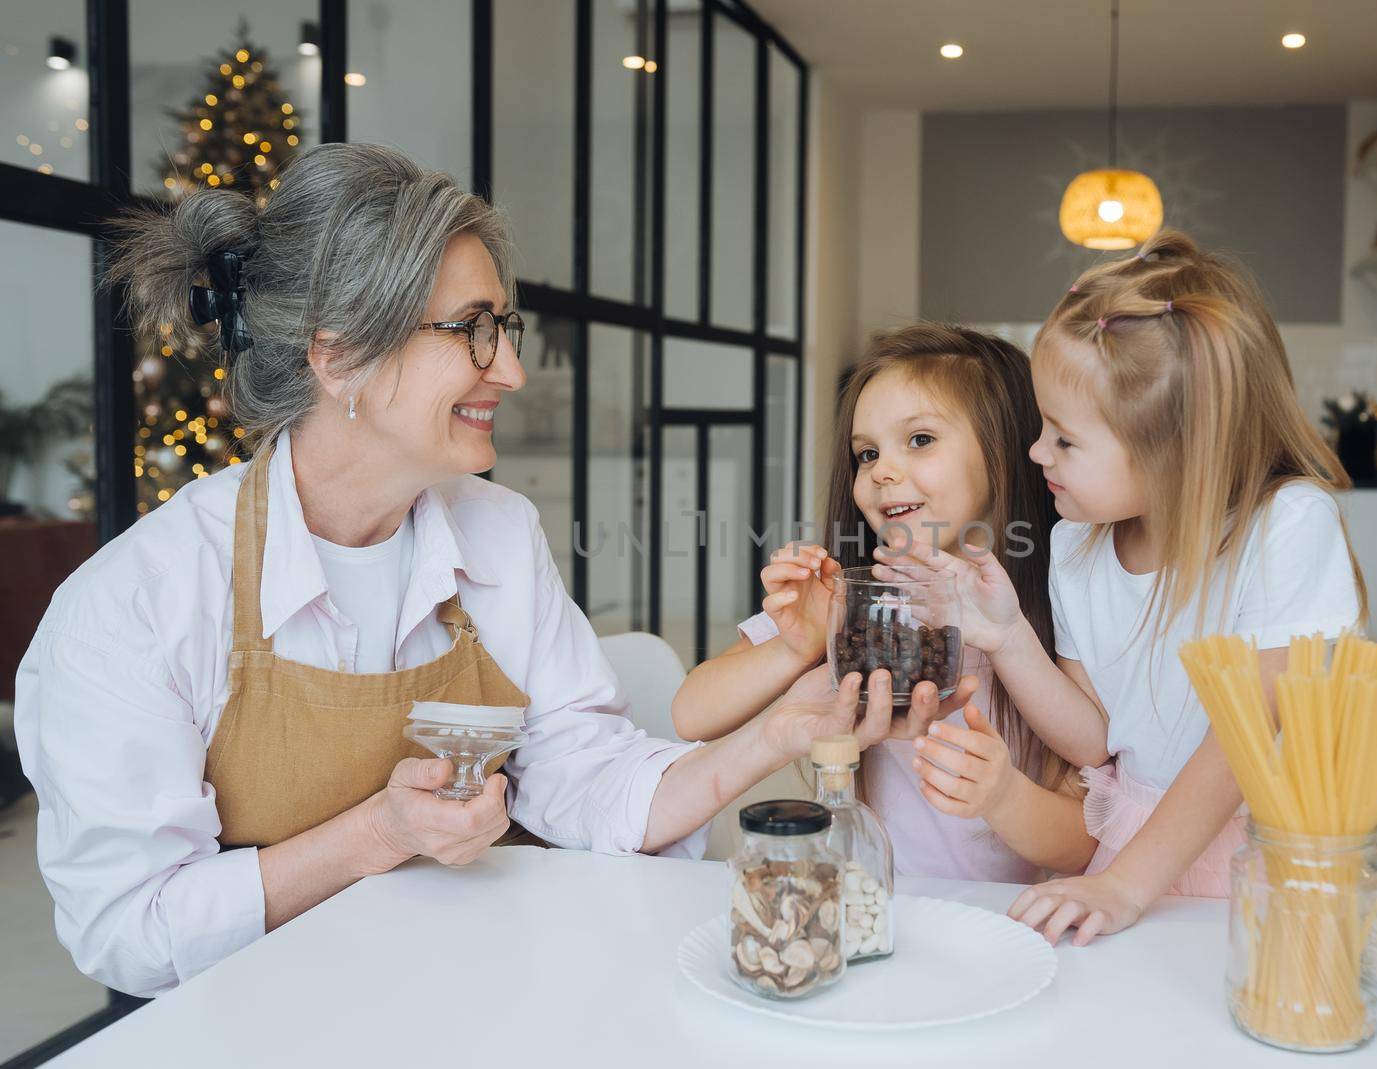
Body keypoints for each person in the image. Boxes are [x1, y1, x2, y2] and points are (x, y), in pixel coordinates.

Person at [14, 143, 925, 997]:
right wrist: (378, 831)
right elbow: (128, 928)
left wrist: (775, 732)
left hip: (476, 985)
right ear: (338, 357)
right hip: (257, 1021)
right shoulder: (142, 600)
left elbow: (583, 778)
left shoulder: (496, 535)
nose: (514, 371)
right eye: (473, 331)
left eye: (507, 327)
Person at [891, 231, 1367, 945]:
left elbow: (1246, 742)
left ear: (1172, 451)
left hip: (1263, 858)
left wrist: (1126, 883)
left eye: (1065, 439)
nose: (1035, 452)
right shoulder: (1076, 541)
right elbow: (1094, 739)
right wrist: (1008, 633)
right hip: (1132, 848)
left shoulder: (1286, 528)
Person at [671, 324, 1097, 884]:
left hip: (993, 930)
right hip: (861, 911)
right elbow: (691, 714)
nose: (881, 472)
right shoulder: (848, 599)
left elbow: (1084, 843)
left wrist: (1002, 797)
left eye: (920, 440)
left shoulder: (1052, 612)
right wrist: (796, 647)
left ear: (1007, 450)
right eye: (866, 453)